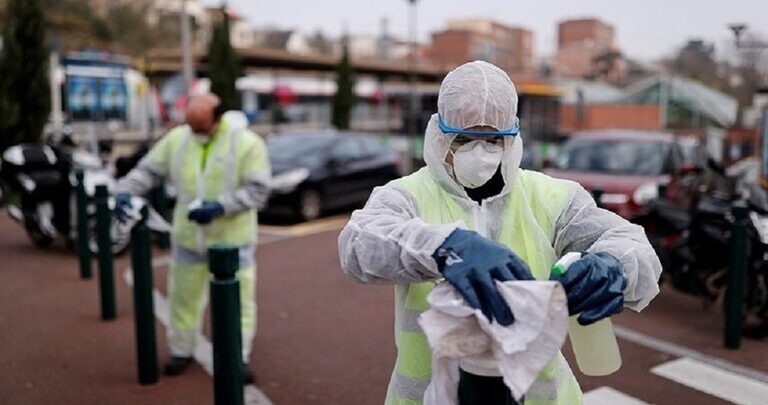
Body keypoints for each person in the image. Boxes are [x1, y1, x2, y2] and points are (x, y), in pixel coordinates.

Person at [337, 61, 662, 405]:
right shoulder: (408, 195)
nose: (479, 152)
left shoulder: (551, 197)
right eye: (464, 139)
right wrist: (443, 247)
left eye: (493, 139)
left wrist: (613, 265)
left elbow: (630, 244)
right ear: (439, 133)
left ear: (512, 136)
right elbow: (358, 244)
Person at [114, 94, 271, 382]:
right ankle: (181, 350)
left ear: (218, 119)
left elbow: (258, 191)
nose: (196, 133)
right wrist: (124, 191)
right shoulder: (178, 140)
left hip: (232, 243)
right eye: (191, 126)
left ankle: (238, 357)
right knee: (182, 299)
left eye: (202, 127)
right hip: (189, 239)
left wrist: (220, 207)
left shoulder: (247, 143)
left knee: (238, 304)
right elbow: (148, 171)